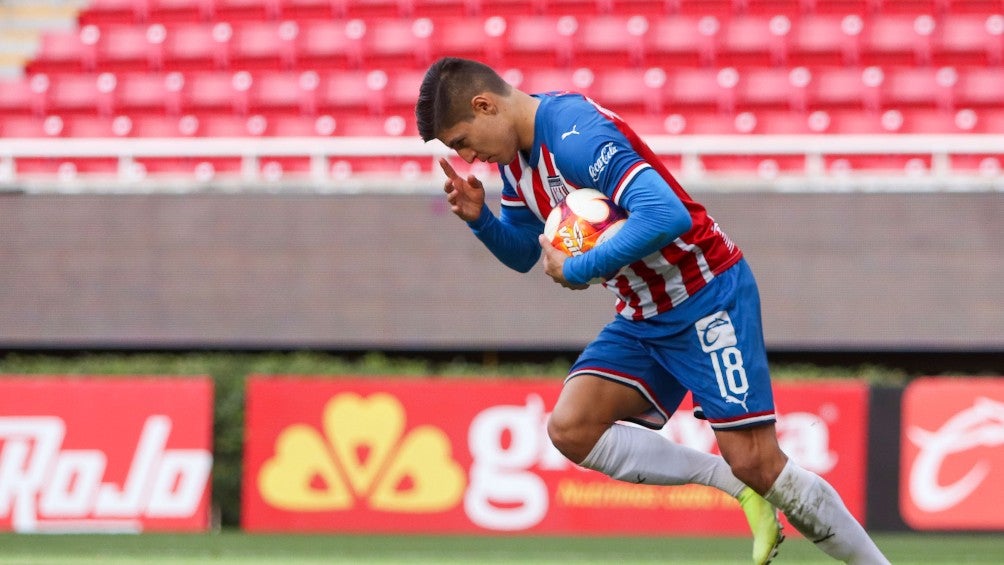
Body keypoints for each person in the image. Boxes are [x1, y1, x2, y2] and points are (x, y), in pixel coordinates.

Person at [416, 57, 889, 565]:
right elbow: (526, 253)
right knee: (571, 428)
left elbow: (666, 214)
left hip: (705, 296)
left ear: (483, 105)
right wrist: (480, 220)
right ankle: (734, 485)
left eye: (463, 140)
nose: (468, 156)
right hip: (644, 311)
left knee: (759, 461)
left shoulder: (576, 137)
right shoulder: (514, 161)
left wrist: (582, 269)